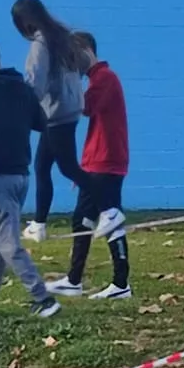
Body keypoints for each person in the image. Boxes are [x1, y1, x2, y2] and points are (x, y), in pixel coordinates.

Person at [0, 42, 61, 319]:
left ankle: (43, 298)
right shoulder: (22, 87)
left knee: (8, 243)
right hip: (21, 175)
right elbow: (41, 122)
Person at [47, 31, 130, 301]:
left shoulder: (105, 78)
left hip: (107, 162)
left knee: (109, 219)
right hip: (98, 161)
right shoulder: (98, 79)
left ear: (86, 51)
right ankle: (76, 279)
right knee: (85, 219)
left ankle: (119, 282)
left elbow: (84, 106)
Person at [11, 0, 91, 244]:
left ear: (24, 22)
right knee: (42, 166)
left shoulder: (41, 44)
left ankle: (108, 205)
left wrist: (23, 110)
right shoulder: (63, 35)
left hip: (56, 112)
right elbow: (85, 62)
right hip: (67, 109)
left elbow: (35, 81)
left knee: (68, 168)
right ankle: (39, 223)